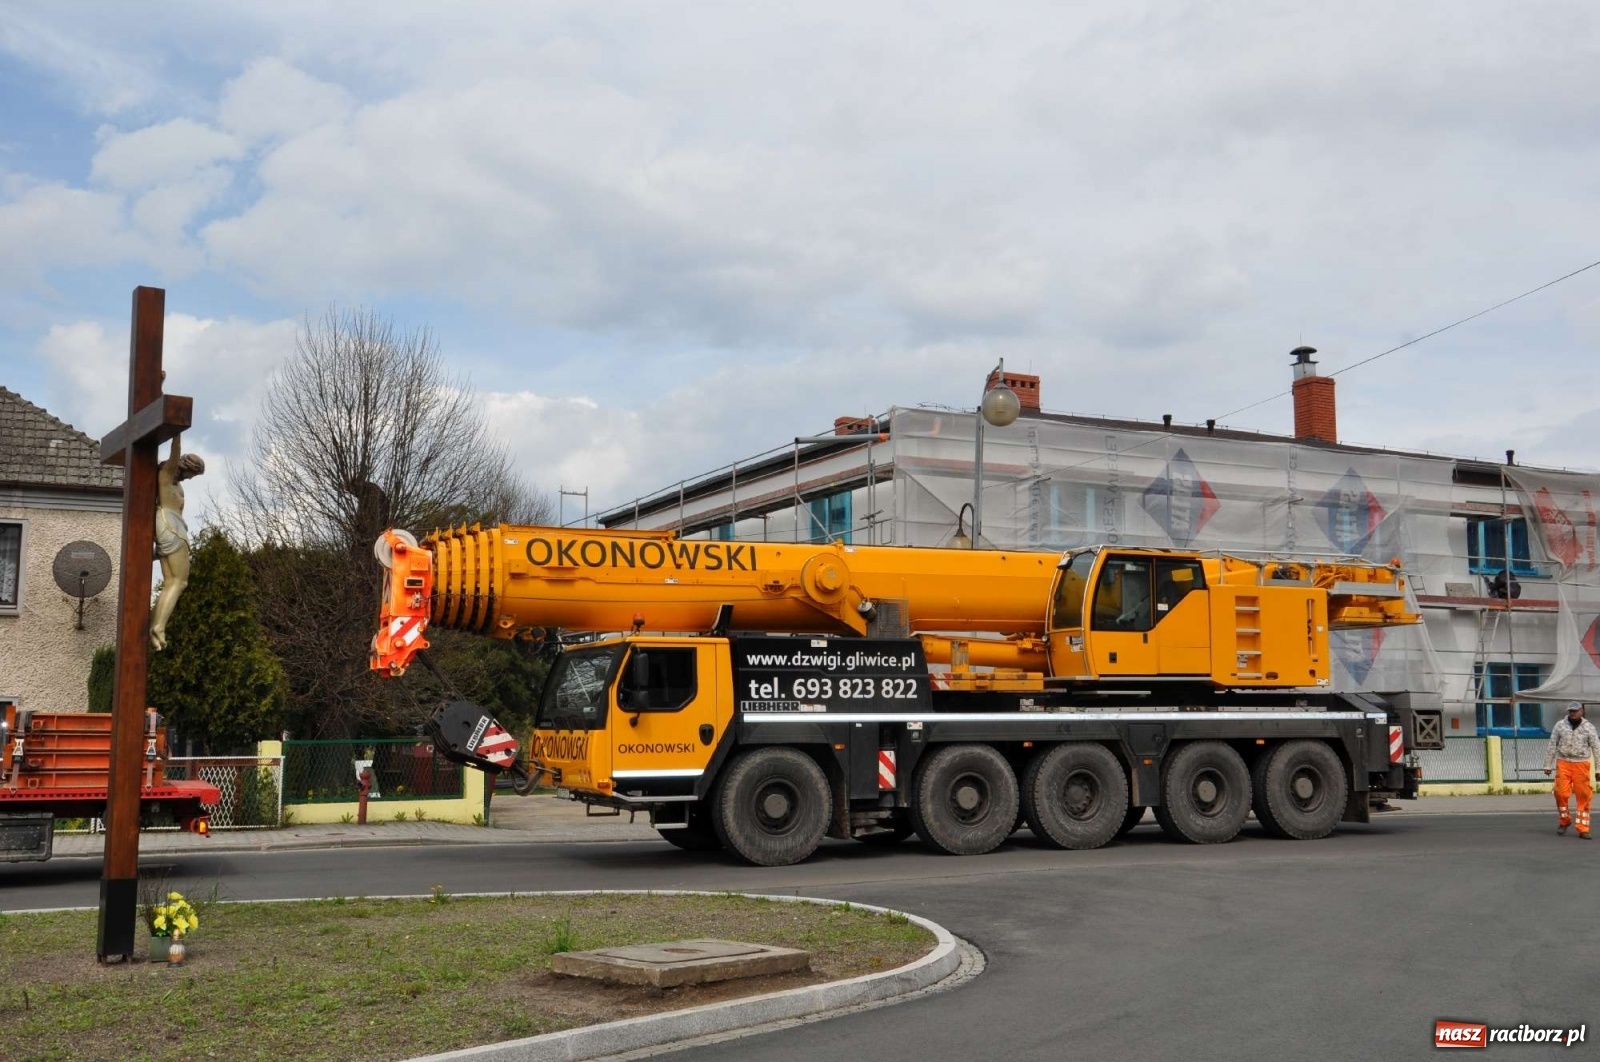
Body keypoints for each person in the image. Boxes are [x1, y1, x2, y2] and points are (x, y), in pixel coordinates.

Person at [150, 434, 204, 651]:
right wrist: (176, 430)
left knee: (171, 581)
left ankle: (155, 626)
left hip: (169, 524)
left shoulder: (175, 482)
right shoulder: (167, 472)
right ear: (185, 466)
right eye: (192, 474)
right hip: (171, 526)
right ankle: (159, 627)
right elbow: (175, 451)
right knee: (180, 582)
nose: (190, 479)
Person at [1543, 702, 1600, 839]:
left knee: (1584, 796)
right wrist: (1547, 764)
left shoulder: (1589, 727)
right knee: (1560, 793)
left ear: (1581, 711)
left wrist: (1598, 768)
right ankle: (1564, 821)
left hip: (1581, 764)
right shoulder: (1560, 725)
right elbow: (1552, 744)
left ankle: (1583, 828)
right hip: (1563, 763)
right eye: (1570, 711)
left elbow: (1596, 748)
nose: (1572, 713)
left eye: (1575, 711)